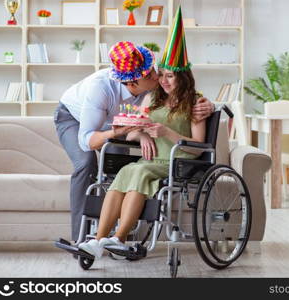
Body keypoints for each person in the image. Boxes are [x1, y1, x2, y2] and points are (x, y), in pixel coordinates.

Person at [54, 41, 213, 242]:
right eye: (152, 75)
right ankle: (84, 240)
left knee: (124, 167)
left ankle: (116, 238)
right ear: (132, 83)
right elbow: (89, 140)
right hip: (76, 119)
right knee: (87, 164)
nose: (157, 77)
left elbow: (184, 101)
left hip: (142, 138)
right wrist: (132, 132)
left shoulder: (154, 86)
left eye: (161, 73)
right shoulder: (101, 89)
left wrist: (210, 105)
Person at [78, 7, 204, 256]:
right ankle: (99, 240)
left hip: (180, 161)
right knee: (125, 174)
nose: (163, 80)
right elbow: (133, 132)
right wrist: (143, 134)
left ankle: (119, 237)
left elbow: (199, 146)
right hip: (152, 161)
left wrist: (168, 133)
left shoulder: (197, 103)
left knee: (139, 172)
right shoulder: (152, 99)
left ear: (184, 78)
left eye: (170, 76)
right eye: (162, 75)